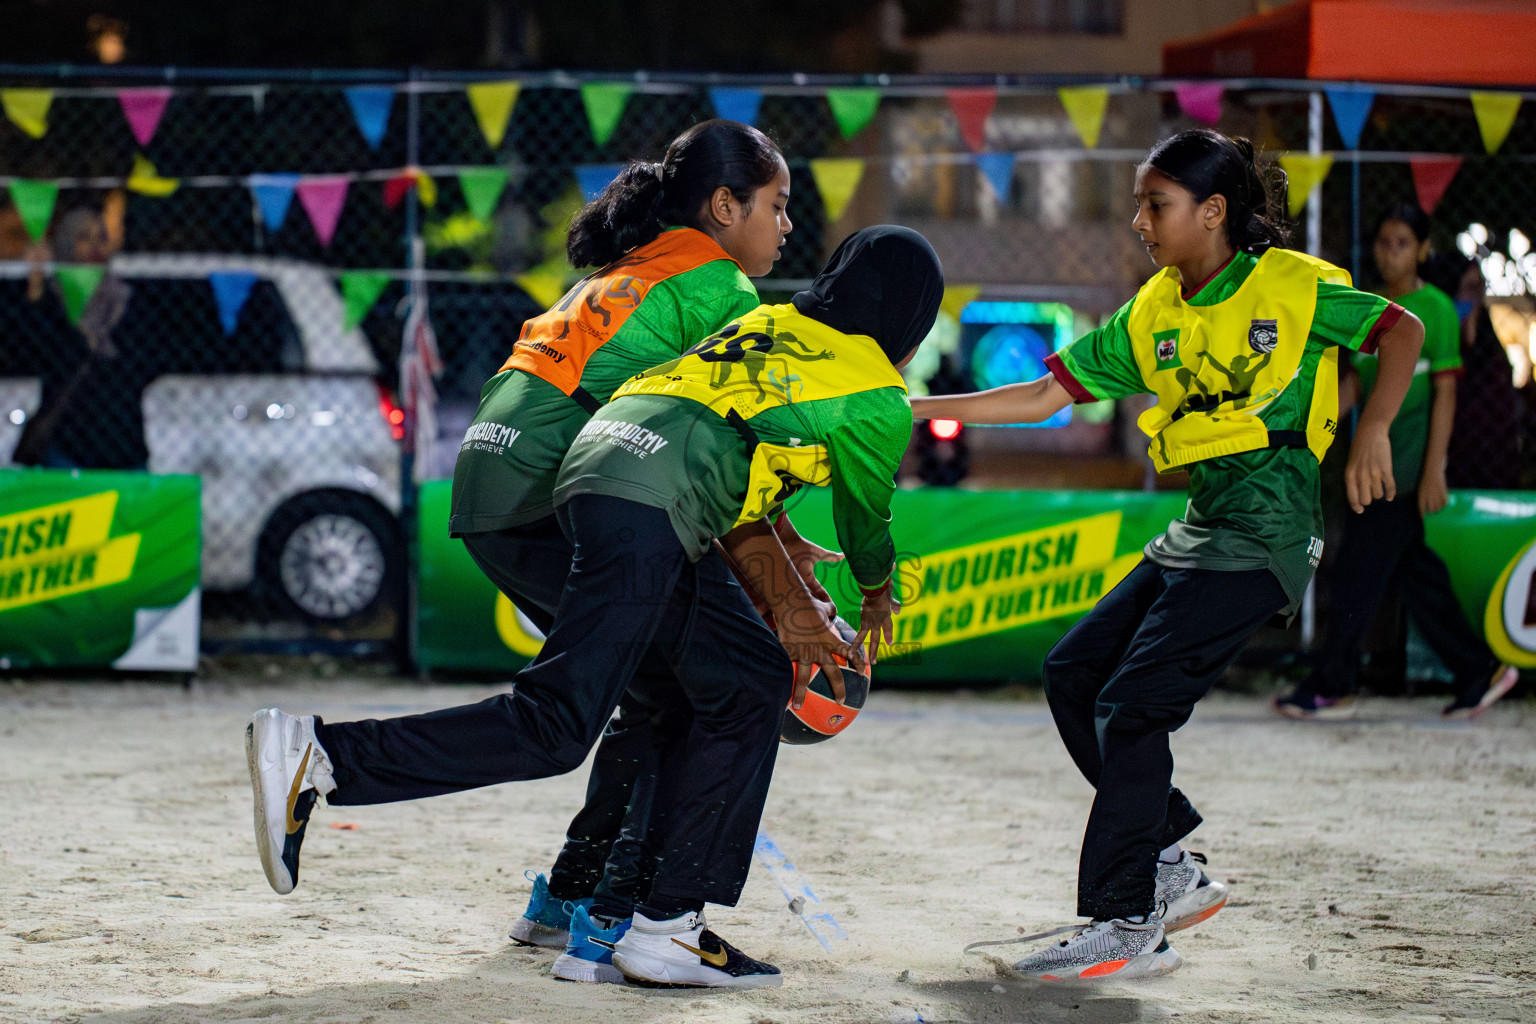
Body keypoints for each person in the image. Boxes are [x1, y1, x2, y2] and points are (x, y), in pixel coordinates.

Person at [244, 119, 847, 977]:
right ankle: (326, 757)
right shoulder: (721, 290)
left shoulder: (637, 266)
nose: (788, 225)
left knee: (659, 688)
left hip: (494, 482)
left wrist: (779, 548)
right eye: (777, 205)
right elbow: (701, 446)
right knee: (604, 711)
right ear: (724, 205)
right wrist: (785, 590)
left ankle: (576, 903)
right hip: (555, 491)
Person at [912, 129, 1425, 981]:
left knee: (1133, 705)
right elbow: (1047, 391)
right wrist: (918, 402)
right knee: (1074, 675)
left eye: (1157, 205)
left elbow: (1400, 330)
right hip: (1199, 532)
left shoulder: (1293, 287)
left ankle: (1127, 919)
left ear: (1213, 211)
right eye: (1141, 204)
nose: (1139, 221)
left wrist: (1373, 427)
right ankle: (1171, 861)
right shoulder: (1154, 307)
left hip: (1263, 539)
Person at [545, 224, 940, 987]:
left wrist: (790, 579)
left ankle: (595, 925)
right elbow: (867, 519)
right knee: (738, 689)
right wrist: (873, 594)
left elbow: (747, 466)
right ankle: (664, 927)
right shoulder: (875, 389)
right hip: (663, 505)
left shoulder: (765, 322)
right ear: (913, 319)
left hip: (594, 473)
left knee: (670, 702)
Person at [1274, 205, 1516, 720]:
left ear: (1423, 250)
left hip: (1401, 468)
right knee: (1414, 577)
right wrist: (1293, 433)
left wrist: (1434, 469)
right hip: (1371, 465)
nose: (1389, 252)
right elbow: (1355, 385)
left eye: (1402, 242)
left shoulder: (1436, 311)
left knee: (1358, 575)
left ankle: (1334, 682)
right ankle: (1482, 670)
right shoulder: (1370, 307)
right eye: (1383, 242)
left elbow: (1446, 394)